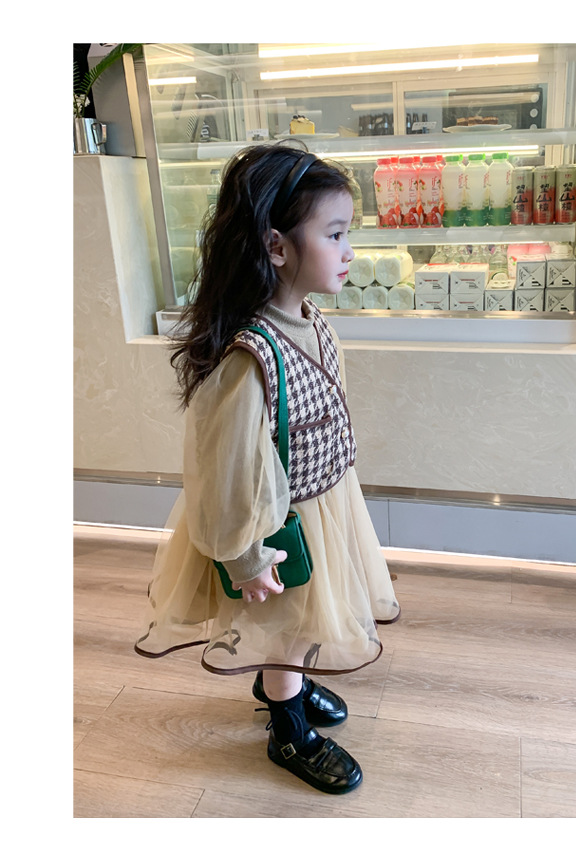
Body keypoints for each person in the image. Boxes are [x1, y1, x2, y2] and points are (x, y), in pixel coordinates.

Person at [135, 145, 400, 795]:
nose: (349, 252)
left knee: (306, 619)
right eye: (334, 235)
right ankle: (288, 729)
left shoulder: (310, 319)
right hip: (277, 526)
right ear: (276, 246)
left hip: (322, 503)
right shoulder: (248, 358)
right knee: (288, 628)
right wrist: (244, 555)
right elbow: (223, 472)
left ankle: (289, 685)